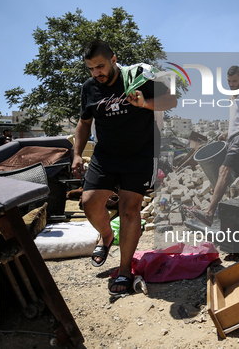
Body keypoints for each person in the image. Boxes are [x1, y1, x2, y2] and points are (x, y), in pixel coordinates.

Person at [72, 39, 177, 296]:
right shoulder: (89, 88)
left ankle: (124, 270)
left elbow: (170, 100)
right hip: (105, 155)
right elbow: (84, 123)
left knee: (129, 209)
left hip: (140, 153)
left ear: (114, 59)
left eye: (100, 66)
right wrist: (76, 154)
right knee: (89, 202)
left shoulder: (138, 77)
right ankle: (107, 236)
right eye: (91, 68)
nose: (97, 73)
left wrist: (144, 103)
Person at [185, 65, 239, 226]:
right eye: (229, 81)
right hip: (234, 138)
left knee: (223, 170)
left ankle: (209, 213)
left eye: (235, 81)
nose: (231, 84)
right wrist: (226, 133)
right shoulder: (231, 98)